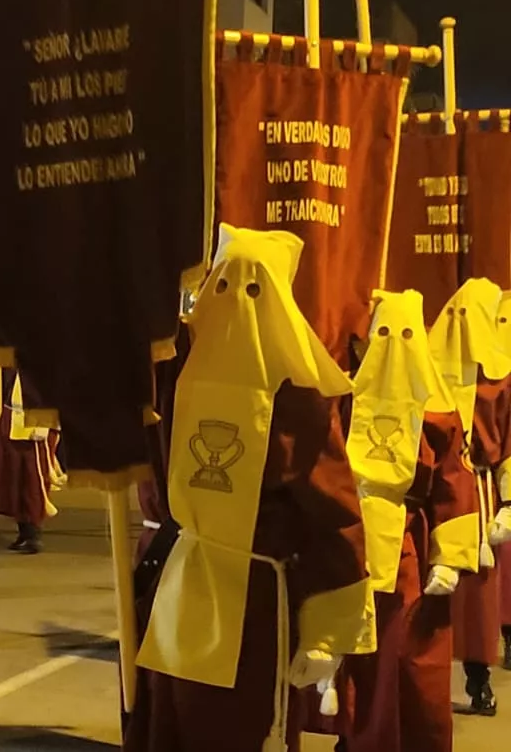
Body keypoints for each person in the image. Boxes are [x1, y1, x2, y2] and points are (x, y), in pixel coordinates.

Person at [125, 225, 368, 752]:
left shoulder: (299, 392)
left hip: (256, 607)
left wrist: (327, 630)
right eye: (226, 284)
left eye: (254, 288)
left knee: (236, 729)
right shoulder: (171, 368)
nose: (238, 301)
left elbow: (332, 514)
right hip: (180, 588)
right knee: (173, 721)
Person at [315, 289, 477, 752]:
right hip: (348, 543)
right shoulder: (344, 398)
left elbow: (453, 478)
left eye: (404, 335)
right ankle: (349, 738)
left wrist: (448, 555)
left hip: (407, 551)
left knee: (398, 661)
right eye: (383, 333)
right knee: (348, 658)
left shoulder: (436, 410)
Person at [433, 279, 511, 715]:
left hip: (478, 491)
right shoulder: (430, 366)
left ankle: (479, 683)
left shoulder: (499, 379)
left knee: (477, 596)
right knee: (435, 595)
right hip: (440, 489)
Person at [0, 370, 60, 554]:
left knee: (33, 482)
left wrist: (44, 425)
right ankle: (23, 531)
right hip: (13, 420)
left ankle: (33, 533)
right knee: (15, 480)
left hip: (33, 425)